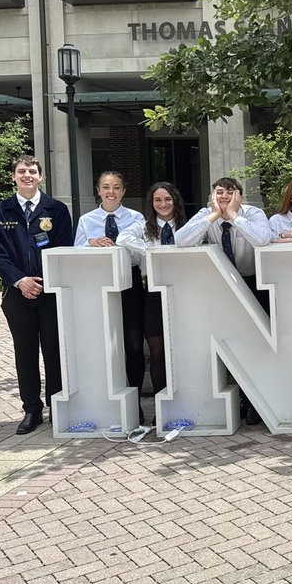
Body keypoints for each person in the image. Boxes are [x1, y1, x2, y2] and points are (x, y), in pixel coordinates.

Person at [0, 154, 73, 435]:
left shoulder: (56, 209)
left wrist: (44, 282)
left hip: (50, 292)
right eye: (21, 171)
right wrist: (21, 280)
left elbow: (63, 247)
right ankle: (31, 409)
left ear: (41, 177)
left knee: (54, 351)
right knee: (24, 353)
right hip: (16, 294)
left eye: (32, 171)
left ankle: (57, 406)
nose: (27, 176)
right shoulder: (0, 212)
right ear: (13, 177)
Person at [175, 177, 274, 426]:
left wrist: (233, 216)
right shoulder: (206, 214)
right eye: (219, 192)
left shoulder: (254, 214)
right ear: (212, 195)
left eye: (230, 192)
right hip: (222, 287)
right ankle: (242, 398)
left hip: (254, 283)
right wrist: (213, 216)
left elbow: (263, 239)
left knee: (257, 343)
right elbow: (181, 240)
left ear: (240, 196)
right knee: (232, 344)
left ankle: (257, 401)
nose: (224, 197)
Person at [117, 181, 188, 425]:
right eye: (158, 200)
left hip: (182, 293)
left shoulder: (185, 227)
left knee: (181, 350)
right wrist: (149, 250)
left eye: (167, 199)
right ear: (151, 204)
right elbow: (122, 238)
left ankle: (179, 402)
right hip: (153, 295)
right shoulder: (143, 228)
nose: (163, 204)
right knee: (157, 351)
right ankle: (160, 405)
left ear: (175, 200)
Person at [74, 171, 146, 392]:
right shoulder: (86, 221)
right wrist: (92, 245)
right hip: (98, 284)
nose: (111, 192)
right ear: (98, 191)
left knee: (133, 344)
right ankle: (110, 395)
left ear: (123, 191)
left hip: (129, 283)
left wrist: (120, 248)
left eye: (116, 187)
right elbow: (76, 252)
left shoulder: (137, 218)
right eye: (106, 187)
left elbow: (142, 254)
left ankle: (135, 398)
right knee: (104, 344)